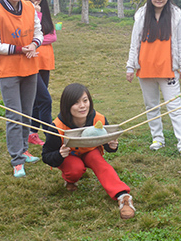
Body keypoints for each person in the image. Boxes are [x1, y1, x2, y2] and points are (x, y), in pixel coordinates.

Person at [42, 83, 135, 219]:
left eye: (85, 100)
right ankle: (70, 180)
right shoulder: (57, 127)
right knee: (75, 169)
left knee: (100, 164)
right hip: (70, 156)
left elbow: (108, 143)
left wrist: (112, 146)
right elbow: (46, 155)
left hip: (90, 151)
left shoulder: (99, 119)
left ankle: (123, 196)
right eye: (76, 103)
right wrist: (59, 154)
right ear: (67, 106)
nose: (82, 106)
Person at [0, 0, 43, 178]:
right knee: (14, 115)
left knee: (27, 112)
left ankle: (24, 149)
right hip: (9, 70)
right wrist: (19, 49)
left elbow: (38, 32)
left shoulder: (29, 7)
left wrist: (34, 44)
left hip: (30, 67)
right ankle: (16, 159)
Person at [126, 0, 181, 160]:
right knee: (151, 106)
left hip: (168, 70)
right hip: (145, 69)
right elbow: (135, 42)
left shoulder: (175, 15)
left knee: (175, 107)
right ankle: (157, 138)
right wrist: (130, 66)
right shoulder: (141, 15)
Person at [23, 0, 56, 147]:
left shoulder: (43, 12)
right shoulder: (24, 13)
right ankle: (52, 136)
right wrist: (34, 14)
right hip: (31, 61)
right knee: (45, 100)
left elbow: (52, 36)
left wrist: (38, 40)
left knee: (38, 101)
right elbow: (29, 35)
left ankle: (32, 133)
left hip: (45, 61)